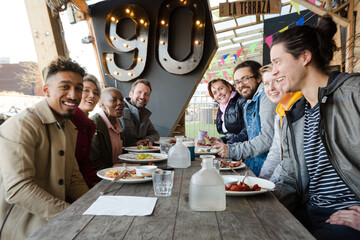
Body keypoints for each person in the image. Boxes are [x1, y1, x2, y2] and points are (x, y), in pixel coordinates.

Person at [270, 15, 360, 239]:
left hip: (346, 216)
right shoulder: (295, 115)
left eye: (278, 62)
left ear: (305, 57)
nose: (273, 72)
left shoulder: (353, 92)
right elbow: (291, 177)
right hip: (309, 212)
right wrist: (260, 199)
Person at [0, 57, 89, 239]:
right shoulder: (22, 125)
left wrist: (94, 207)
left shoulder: (69, 128)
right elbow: (18, 189)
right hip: (21, 230)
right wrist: (72, 215)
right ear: (46, 90)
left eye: (79, 88)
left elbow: (74, 179)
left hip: (56, 224)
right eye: (65, 87)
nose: (73, 95)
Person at [213, 61, 277, 175]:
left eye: (245, 79)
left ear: (258, 78)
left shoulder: (266, 96)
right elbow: (249, 133)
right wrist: (226, 144)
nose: (240, 85)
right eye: (237, 82)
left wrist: (231, 150)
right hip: (252, 166)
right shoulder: (250, 101)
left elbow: (267, 139)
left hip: (266, 170)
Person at [258, 64, 302, 183]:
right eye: (266, 83)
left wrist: (269, 186)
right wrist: (261, 181)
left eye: (277, 81)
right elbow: (276, 152)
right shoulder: (280, 114)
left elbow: (291, 161)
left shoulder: (300, 110)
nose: (270, 88)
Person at [71, 74, 101, 188]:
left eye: (96, 93)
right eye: (86, 91)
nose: (92, 95)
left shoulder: (90, 125)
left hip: (83, 183)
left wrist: (94, 183)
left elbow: (85, 162)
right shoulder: (67, 120)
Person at [90, 87, 125, 171]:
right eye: (114, 100)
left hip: (116, 173)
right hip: (100, 178)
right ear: (102, 104)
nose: (120, 103)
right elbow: (94, 163)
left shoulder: (119, 123)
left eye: (121, 100)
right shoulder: (94, 125)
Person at [120, 79, 159, 147]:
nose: (142, 97)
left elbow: (155, 134)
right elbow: (113, 138)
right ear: (130, 94)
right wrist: (134, 144)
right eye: (139, 92)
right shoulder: (119, 110)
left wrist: (148, 140)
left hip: (140, 155)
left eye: (146, 94)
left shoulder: (144, 114)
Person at [207, 78, 247, 144]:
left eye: (221, 88)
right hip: (234, 147)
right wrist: (221, 141)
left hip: (243, 149)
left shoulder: (241, 101)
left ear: (229, 87)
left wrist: (228, 145)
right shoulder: (222, 107)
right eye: (215, 93)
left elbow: (248, 130)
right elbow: (231, 134)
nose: (219, 94)